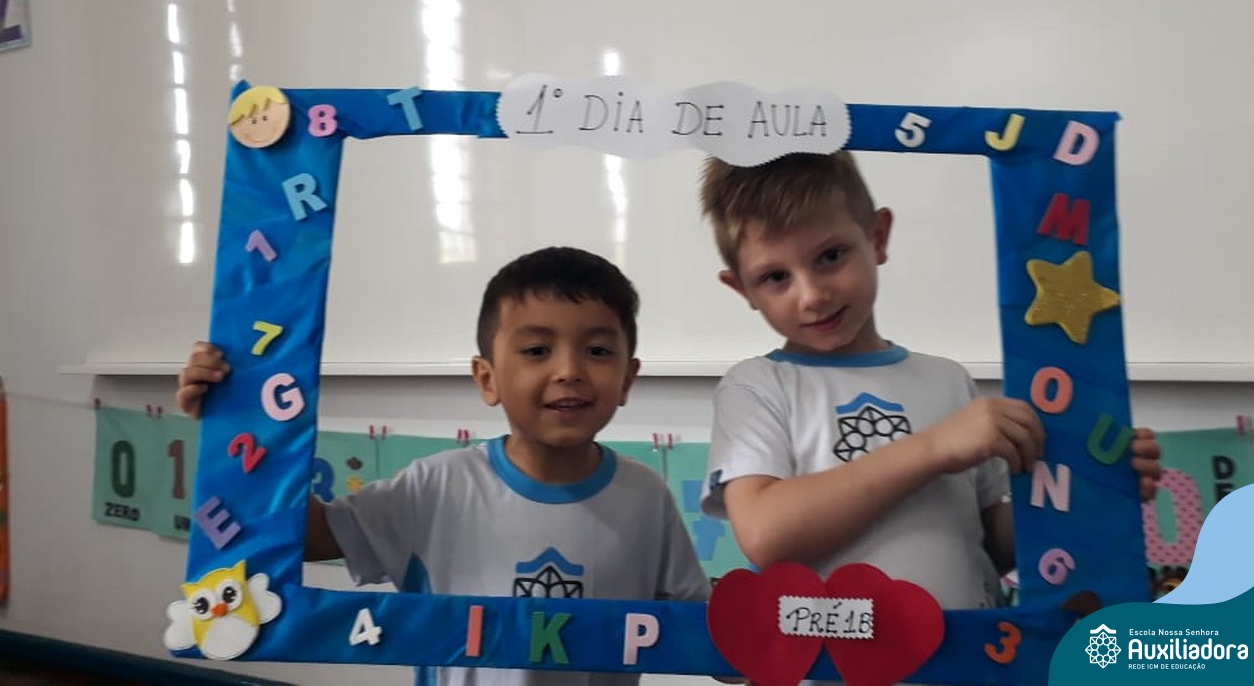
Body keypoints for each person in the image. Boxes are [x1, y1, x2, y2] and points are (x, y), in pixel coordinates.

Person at [177, 246, 712, 686]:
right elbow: (307, 537)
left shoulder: (647, 497)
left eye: (597, 351)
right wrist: (240, 424)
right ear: (487, 378)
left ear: (627, 378)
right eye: (536, 350)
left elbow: (701, 630)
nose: (569, 370)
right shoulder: (435, 486)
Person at [696, 151, 1163, 616]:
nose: (813, 295)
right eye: (776, 277)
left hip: (969, 653)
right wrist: (934, 448)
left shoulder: (948, 380)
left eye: (831, 256)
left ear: (878, 237)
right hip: (832, 655)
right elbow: (766, 534)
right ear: (742, 289)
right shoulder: (756, 386)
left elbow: (988, 545)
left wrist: (1091, 494)